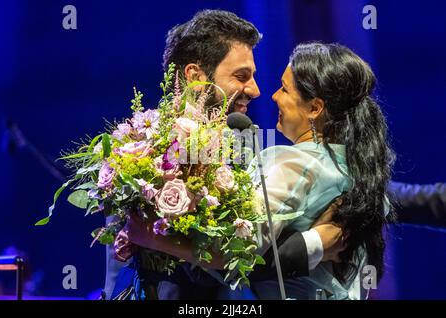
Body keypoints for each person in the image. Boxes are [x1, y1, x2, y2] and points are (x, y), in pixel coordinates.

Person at [105, 10, 345, 300]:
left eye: (253, 76)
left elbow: (243, 252)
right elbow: (204, 265)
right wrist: (312, 245)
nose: (255, 90)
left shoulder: (244, 146)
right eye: (241, 76)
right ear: (195, 77)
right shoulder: (141, 150)